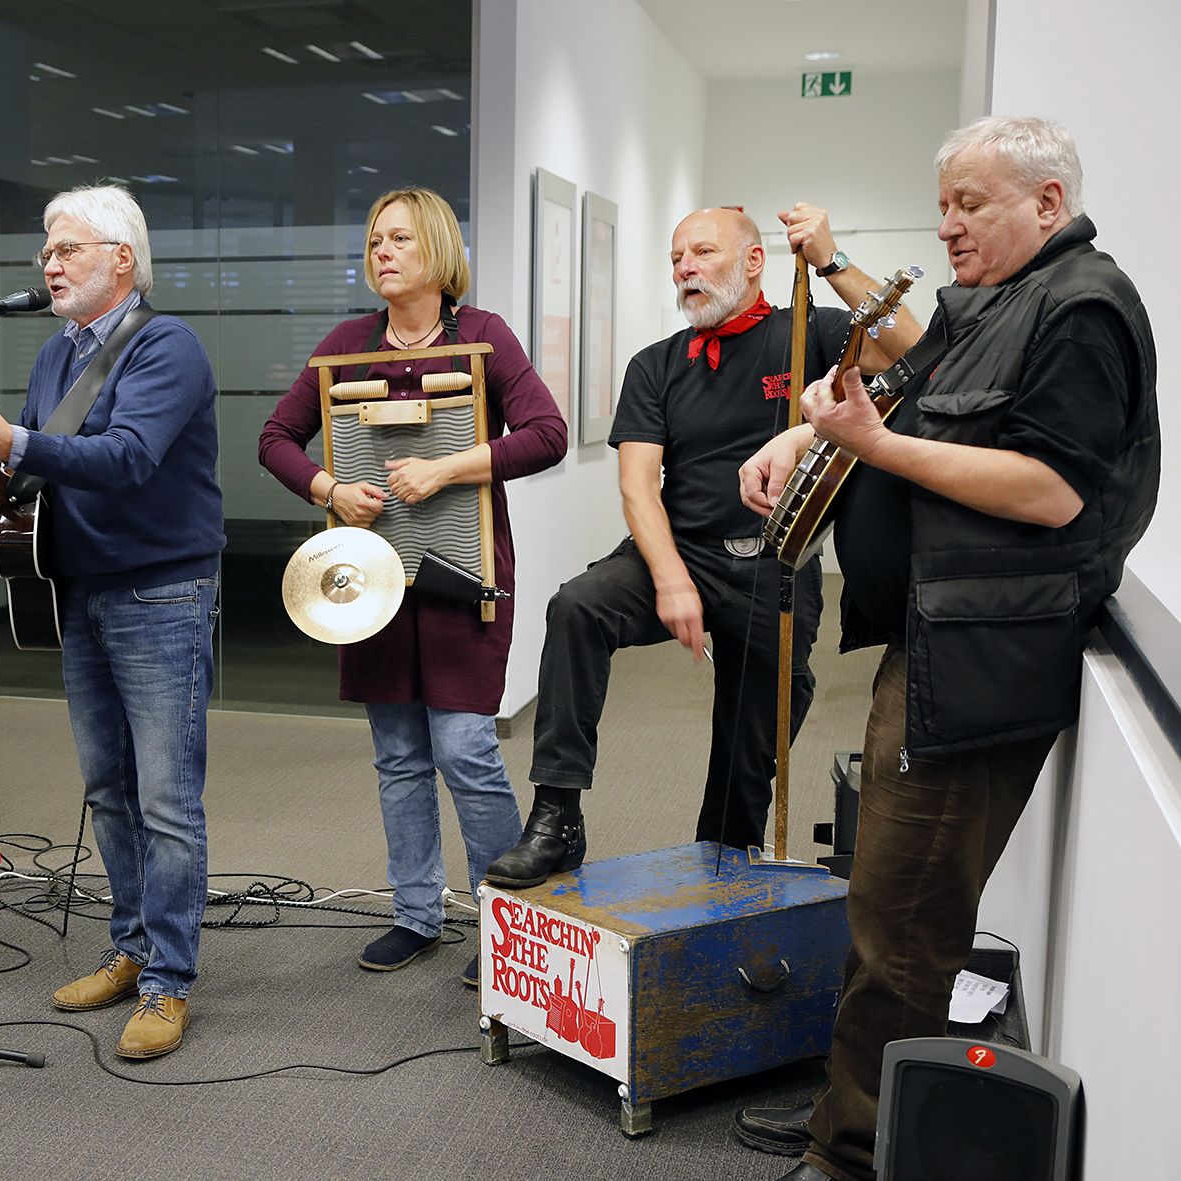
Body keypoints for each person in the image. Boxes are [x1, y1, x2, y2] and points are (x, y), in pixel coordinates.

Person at [734, 117, 1157, 1181]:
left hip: (980, 660)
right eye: (944, 202)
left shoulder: (1081, 307)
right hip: (932, 637)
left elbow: (1051, 489)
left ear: (1045, 204)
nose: (945, 224)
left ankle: (846, 1153)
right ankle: (853, 1105)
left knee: (903, 918)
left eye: (969, 203)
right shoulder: (988, 304)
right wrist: (805, 432)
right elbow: (905, 385)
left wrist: (870, 445)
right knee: (884, 901)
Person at [486, 205, 922, 889]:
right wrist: (671, 580)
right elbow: (638, 485)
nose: (685, 267)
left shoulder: (810, 332)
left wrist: (833, 263)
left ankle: (723, 865)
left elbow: (917, 351)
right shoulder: (655, 365)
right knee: (578, 606)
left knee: (747, 749)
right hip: (677, 548)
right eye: (676, 258)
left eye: (703, 253)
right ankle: (556, 815)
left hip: (774, 561)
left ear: (754, 262)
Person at [258, 187, 568, 985]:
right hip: (369, 579)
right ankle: (416, 915)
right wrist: (332, 489)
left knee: (465, 747)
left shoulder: (485, 338)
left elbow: (547, 434)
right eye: (373, 239)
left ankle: (509, 927)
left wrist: (449, 467)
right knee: (398, 754)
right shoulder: (344, 344)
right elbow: (277, 438)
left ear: (435, 249)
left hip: (464, 574)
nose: (381, 251)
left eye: (398, 237)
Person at [0, 184, 223, 1061]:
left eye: (68, 250)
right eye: (45, 254)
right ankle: (132, 945)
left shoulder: (167, 345)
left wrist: (12, 449)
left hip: (161, 595)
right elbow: (33, 457)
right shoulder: (59, 352)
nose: (50, 265)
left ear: (122, 261)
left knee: (167, 799)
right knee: (107, 789)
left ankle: (170, 981)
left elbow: (129, 457)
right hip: (82, 593)